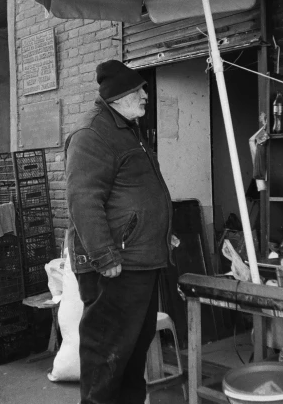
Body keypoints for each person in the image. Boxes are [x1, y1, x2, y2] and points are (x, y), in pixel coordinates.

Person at [65, 59, 172, 404]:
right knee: (106, 358)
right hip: (116, 266)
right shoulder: (93, 133)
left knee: (131, 354)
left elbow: (133, 196)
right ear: (120, 95)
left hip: (138, 261)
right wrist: (104, 255)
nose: (145, 94)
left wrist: (159, 231)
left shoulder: (127, 130)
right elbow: (83, 199)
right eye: (139, 89)